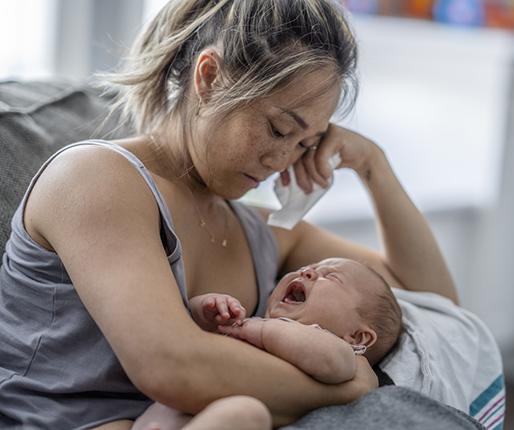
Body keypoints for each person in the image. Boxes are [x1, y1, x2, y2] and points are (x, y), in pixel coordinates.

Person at [0, 0, 458, 428]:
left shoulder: (255, 226)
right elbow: (170, 366)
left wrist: (373, 165)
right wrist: (352, 386)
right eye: (279, 129)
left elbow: (432, 302)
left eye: (304, 145)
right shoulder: (96, 178)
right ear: (210, 77)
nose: (282, 160)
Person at [129, 257, 403, 430]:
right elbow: (187, 333)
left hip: (217, 418)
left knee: (247, 414)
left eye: (330, 277)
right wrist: (204, 310)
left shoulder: (342, 354)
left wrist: (259, 330)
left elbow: (332, 364)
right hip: (165, 412)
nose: (307, 271)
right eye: (308, 267)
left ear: (357, 337)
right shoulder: (252, 321)